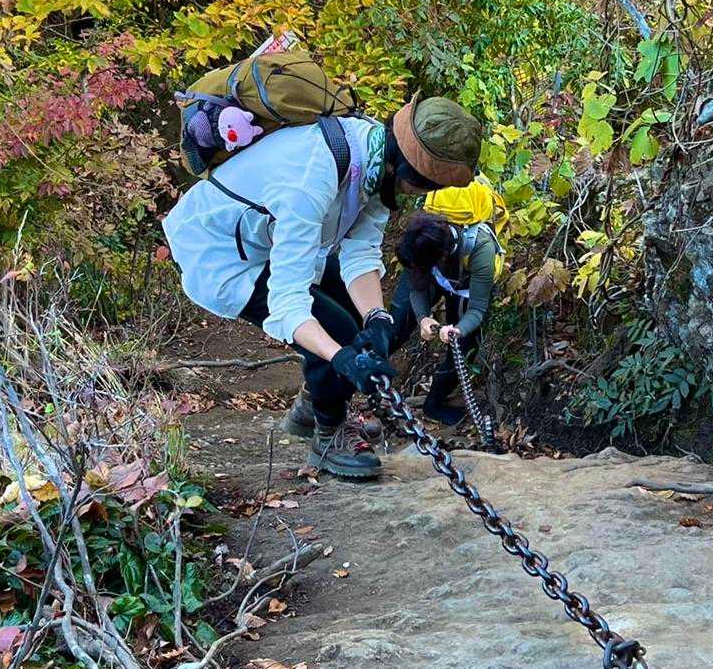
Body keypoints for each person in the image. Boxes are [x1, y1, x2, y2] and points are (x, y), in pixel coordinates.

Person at [163, 96, 484, 479]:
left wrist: (377, 318)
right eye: (419, 187)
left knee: (355, 318)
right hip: (219, 254)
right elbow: (289, 303)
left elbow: (361, 252)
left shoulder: (376, 161)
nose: (413, 195)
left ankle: (314, 403)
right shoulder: (311, 178)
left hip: (266, 239)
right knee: (339, 330)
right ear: (409, 172)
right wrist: (341, 357)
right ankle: (329, 436)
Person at [390, 211, 499, 425]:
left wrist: (457, 330)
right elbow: (417, 286)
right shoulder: (418, 242)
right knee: (397, 323)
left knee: (463, 347)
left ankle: (434, 405)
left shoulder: (481, 250)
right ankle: (360, 375)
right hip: (432, 270)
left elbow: (477, 310)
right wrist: (423, 318)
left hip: (465, 286)